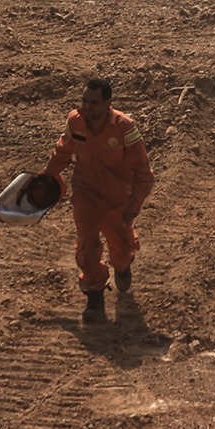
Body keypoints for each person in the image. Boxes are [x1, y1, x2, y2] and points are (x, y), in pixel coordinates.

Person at [40, 77, 155, 323]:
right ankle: (94, 299)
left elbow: (144, 174)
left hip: (117, 199)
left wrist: (133, 207)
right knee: (87, 245)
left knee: (121, 247)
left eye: (93, 102)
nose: (87, 107)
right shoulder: (75, 121)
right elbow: (62, 152)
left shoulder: (125, 128)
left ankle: (123, 265)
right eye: (84, 100)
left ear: (108, 103)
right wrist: (47, 176)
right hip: (85, 193)